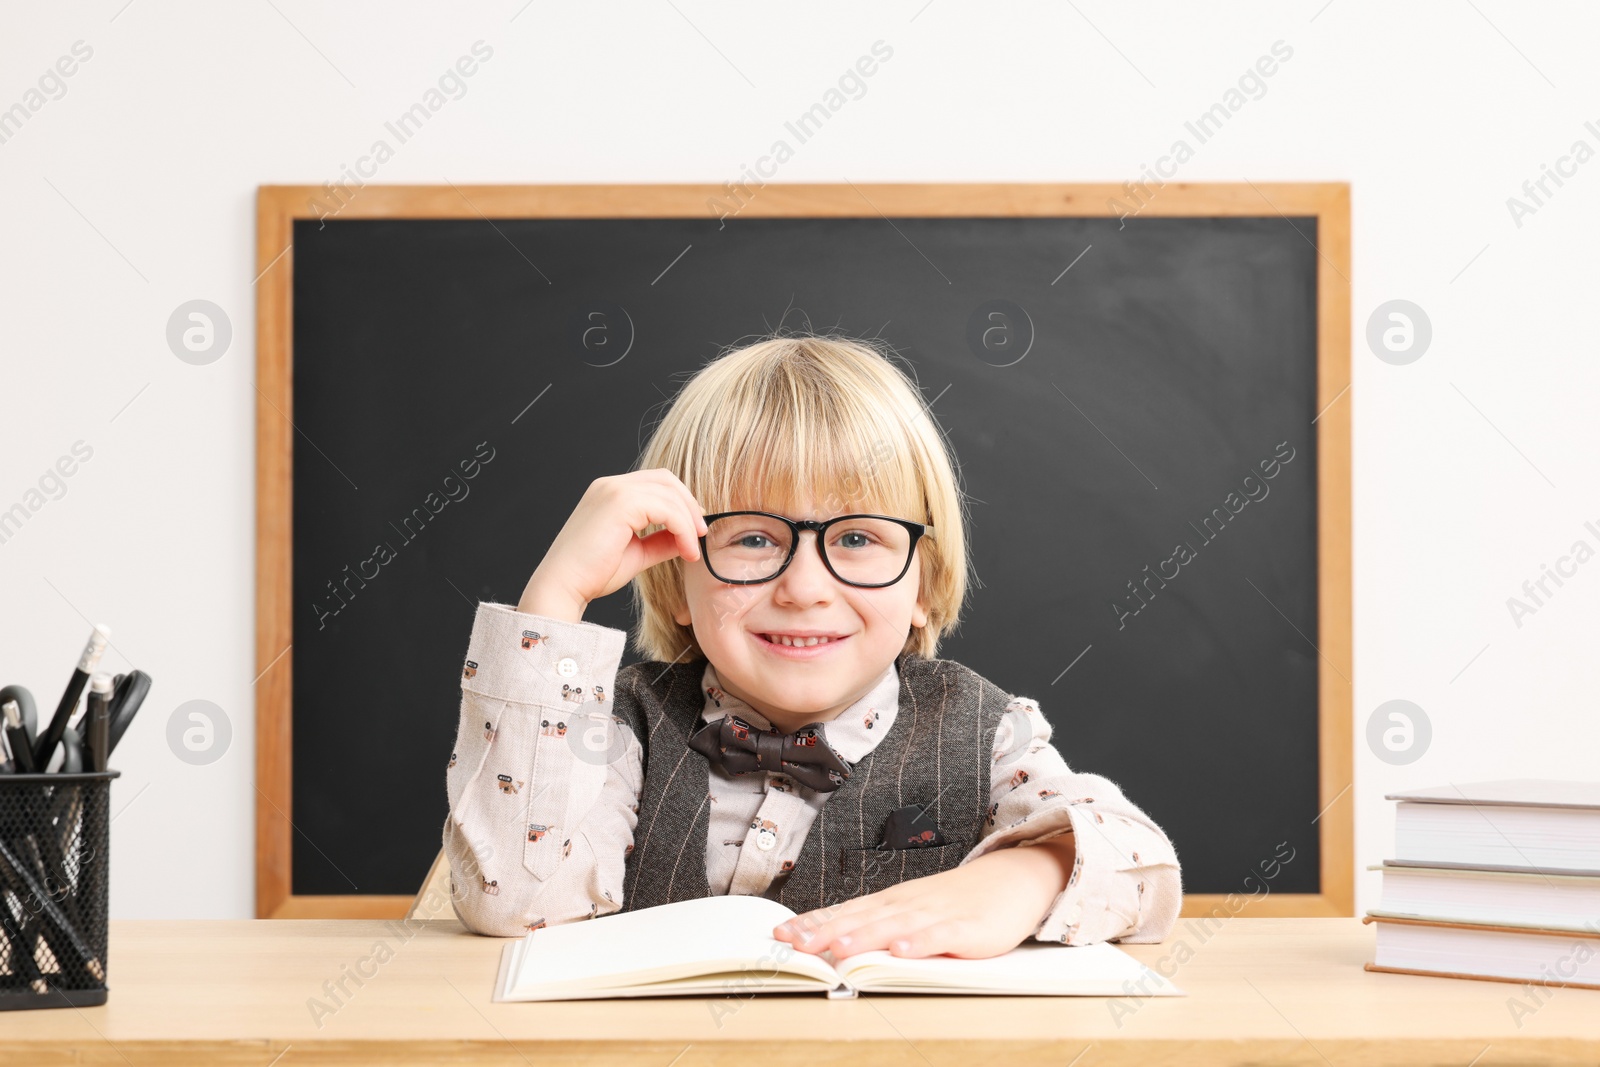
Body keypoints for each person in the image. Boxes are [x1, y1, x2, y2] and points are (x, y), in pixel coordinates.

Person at [443, 333, 1181, 959]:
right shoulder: (619, 731)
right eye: (755, 537)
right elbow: (514, 900)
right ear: (675, 578)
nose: (804, 587)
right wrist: (556, 596)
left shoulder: (986, 730)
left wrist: (1027, 876)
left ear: (924, 580)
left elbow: (1141, 864)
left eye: (857, 537)